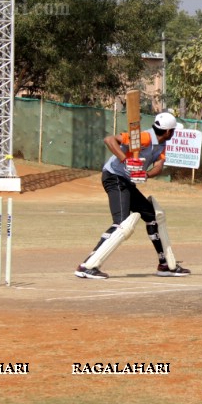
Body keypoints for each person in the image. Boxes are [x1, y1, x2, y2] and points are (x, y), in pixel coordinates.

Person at [75, 112, 191, 279]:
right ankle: (87, 265)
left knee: (152, 216)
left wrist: (146, 174)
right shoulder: (143, 138)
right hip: (114, 177)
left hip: (127, 182)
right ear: (167, 131)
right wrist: (126, 160)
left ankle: (165, 264)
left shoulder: (161, 144)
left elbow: (159, 165)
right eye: (173, 131)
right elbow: (109, 140)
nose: (174, 134)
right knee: (121, 223)